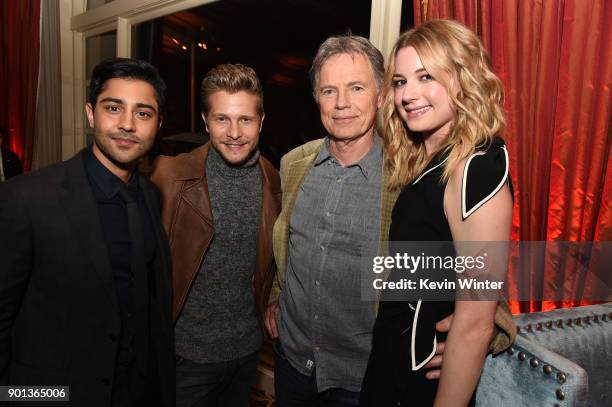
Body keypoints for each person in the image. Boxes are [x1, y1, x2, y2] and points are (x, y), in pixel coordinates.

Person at [264, 34, 462, 406]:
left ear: (381, 96)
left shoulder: (410, 177)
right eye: (328, 91)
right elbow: (287, 244)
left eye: (356, 88)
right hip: (292, 366)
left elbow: (469, 260)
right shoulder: (293, 165)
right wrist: (277, 296)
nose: (341, 104)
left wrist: (469, 339)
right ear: (316, 99)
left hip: (363, 380)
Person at [0, 58, 174, 407]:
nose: (127, 125)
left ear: (157, 124)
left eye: (143, 113)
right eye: (114, 108)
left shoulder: (151, 195)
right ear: (90, 113)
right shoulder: (26, 198)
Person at [360, 20, 516, 407]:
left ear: (463, 80)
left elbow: (476, 323)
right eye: (399, 82)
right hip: (391, 363)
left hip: (421, 384)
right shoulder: (428, 162)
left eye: (426, 76)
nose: (408, 94)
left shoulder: (475, 167)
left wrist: (468, 333)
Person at [150, 64, 281, 407]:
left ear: (261, 122)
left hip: (245, 355)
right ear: (206, 121)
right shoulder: (167, 176)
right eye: (222, 119)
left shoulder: (274, 181)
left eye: (246, 120)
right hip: (184, 359)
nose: (234, 132)